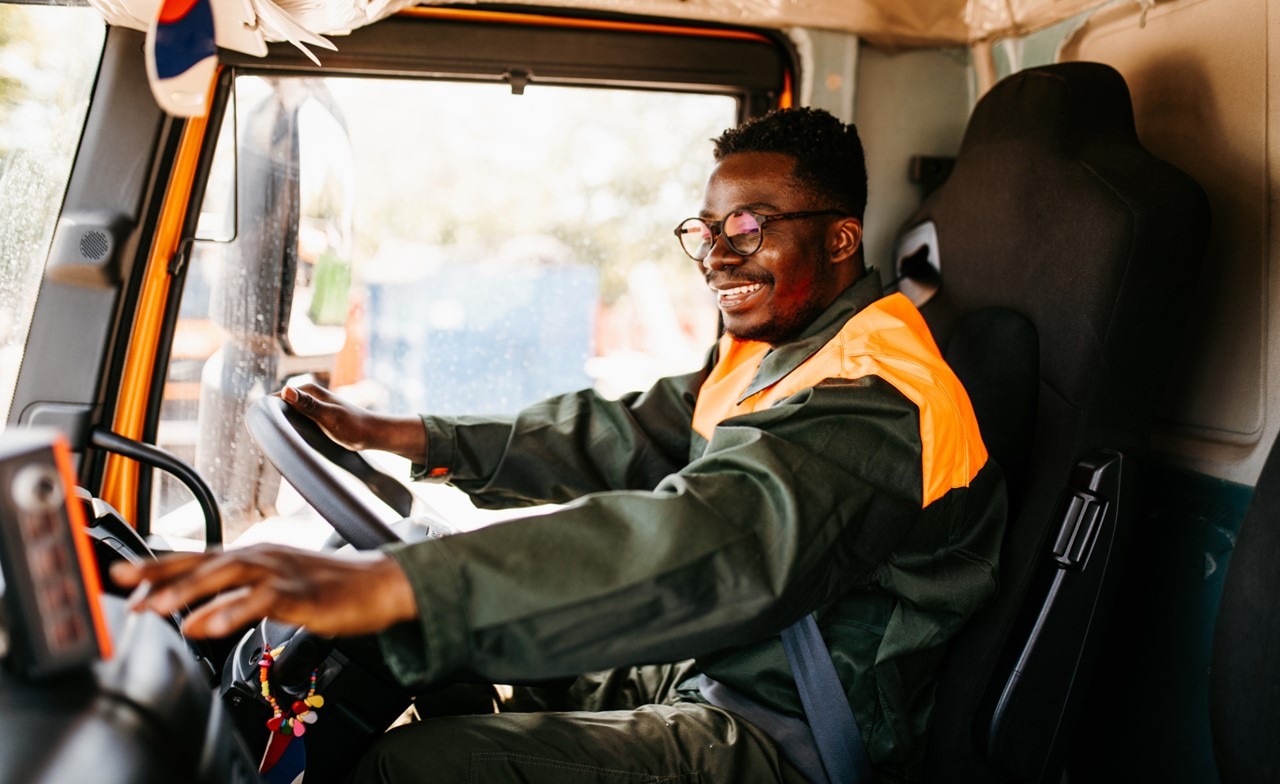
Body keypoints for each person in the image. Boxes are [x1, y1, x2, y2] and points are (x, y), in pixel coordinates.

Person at [114, 106, 1006, 783]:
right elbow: (622, 434)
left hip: (782, 729)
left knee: (412, 769)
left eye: (750, 226)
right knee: (418, 661)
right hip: (703, 666)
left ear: (843, 236)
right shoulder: (779, 353)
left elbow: (710, 540)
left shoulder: (878, 397)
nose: (718, 257)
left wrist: (395, 582)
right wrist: (411, 436)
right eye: (708, 231)